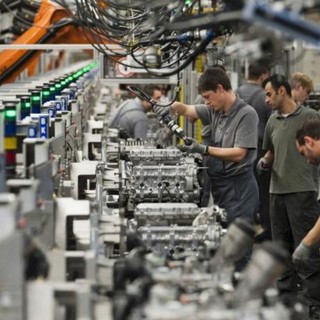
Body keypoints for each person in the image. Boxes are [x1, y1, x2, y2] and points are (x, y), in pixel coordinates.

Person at [154, 67, 259, 270]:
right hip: (221, 187)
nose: (205, 102)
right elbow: (186, 109)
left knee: (238, 247)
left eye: (208, 97)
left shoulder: (246, 114)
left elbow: (239, 153)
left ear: (220, 89)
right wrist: (168, 106)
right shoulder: (215, 110)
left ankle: (242, 290)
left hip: (239, 189)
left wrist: (204, 149)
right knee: (221, 240)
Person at [257, 74, 320, 318]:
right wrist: (264, 162)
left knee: (307, 251)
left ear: (282, 91)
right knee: (281, 249)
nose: (266, 99)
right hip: (277, 191)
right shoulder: (272, 120)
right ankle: (285, 302)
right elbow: (272, 151)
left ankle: (312, 304)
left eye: (269, 94)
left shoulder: (310, 118)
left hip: (303, 191)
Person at [237, 63, 272, 241]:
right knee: (263, 191)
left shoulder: (237, 92)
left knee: (244, 190)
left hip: (238, 150)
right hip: (259, 150)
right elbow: (271, 123)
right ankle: (266, 228)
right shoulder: (263, 96)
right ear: (263, 76)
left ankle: (244, 228)